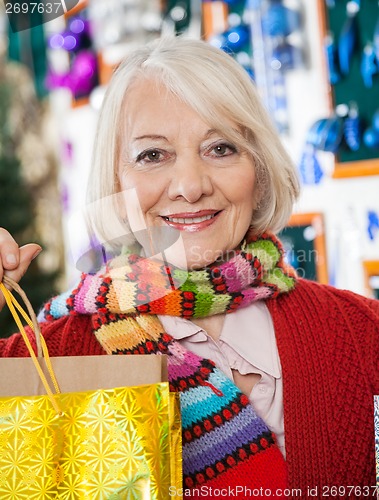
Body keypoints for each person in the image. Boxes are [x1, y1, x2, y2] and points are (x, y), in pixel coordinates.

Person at [0, 36, 378, 497]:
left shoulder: (365, 334)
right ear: (116, 179)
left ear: (258, 169)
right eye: (152, 155)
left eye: (220, 148)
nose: (191, 186)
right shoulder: (43, 366)